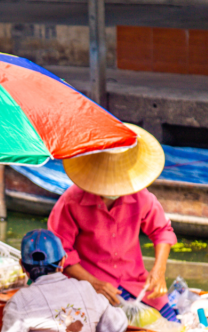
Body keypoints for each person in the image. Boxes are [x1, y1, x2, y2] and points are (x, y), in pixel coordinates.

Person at [48, 123, 179, 320]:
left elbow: (162, 231)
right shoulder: (72, 201)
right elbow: (60, 251)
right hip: (89, 284)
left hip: (136, 283)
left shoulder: (140, 195)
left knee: (170, 323)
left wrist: (159, 270)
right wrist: (93, 283)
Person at [0, 230, 128, 332]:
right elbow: (116, 326)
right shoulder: (86, 289)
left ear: (23, 266)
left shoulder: (19, 301)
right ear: (62, 262)